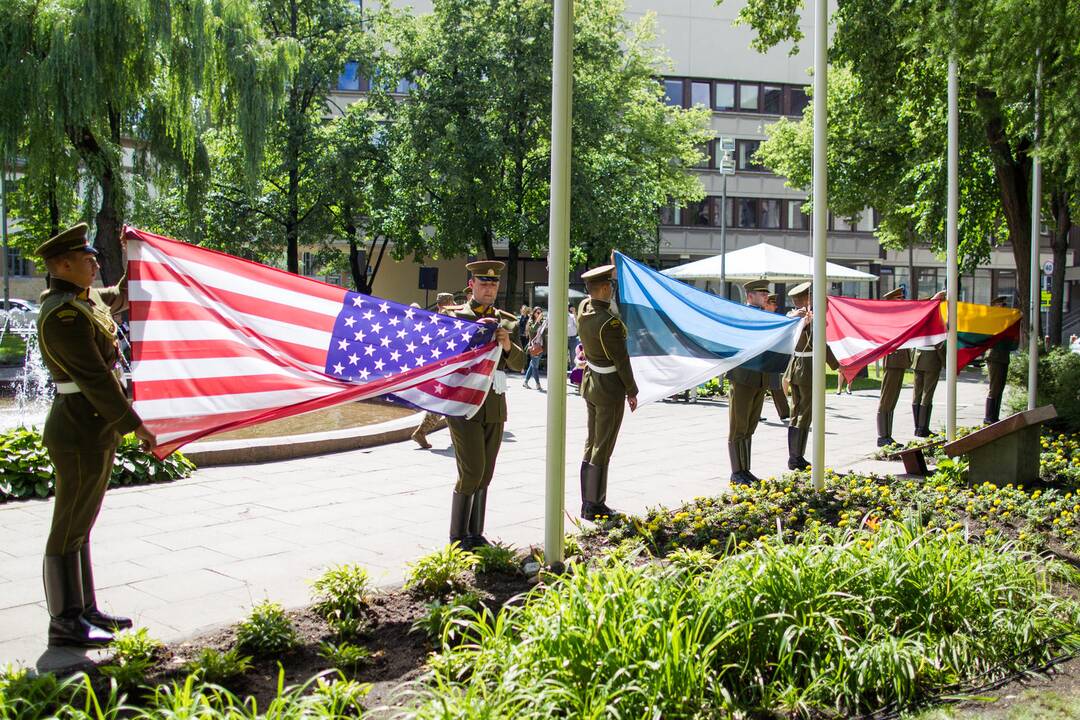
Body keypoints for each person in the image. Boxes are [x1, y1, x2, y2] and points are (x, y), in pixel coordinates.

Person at [34, 223, 158, 647]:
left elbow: (122, 295)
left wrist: (137, 253)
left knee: (82, 524)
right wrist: (135, 424)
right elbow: (95, 380)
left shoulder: (85, 301)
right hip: (77, 429)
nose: (94, 263)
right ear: (62, 264)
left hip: (93, 428)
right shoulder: (64, 313)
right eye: (86, 260)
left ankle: (85, 610)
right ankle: (64, 622)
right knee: (69, 524)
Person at [444, 261, 524, 549]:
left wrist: (507, 346)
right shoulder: (455, 318)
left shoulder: (508, 321)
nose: (489, 288)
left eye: (493, 284)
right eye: (483, 283)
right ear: (472, 286)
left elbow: (519, 362)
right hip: (465, 404)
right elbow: (444, 361)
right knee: (472, 471)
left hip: (494, 404)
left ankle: (475, 534)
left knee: (486, 473)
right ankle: (457, 537)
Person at [577, 264, 638, 520]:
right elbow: (622, 360)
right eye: (610, 286)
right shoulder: (609, 324)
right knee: (603, 445)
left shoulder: (584, 310)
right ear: (603, 288)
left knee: (592, 443)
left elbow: (588, 301)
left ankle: (587, 500)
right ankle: (594, 504)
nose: (612, 289)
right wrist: (632, 390)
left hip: (591, 383)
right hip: (609, 387)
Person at [726, 279, 772, 483]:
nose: (765, 296)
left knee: (750, 426)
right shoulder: (742, 315)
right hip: (743, 377)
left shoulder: (765, 316)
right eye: (761, 293)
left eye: (766, 294)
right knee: (739, 426)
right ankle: (736, 472)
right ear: (750, 296)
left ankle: (745, 469)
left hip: (760, 378)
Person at [411, 292, 458, 449]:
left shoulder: (435, 321)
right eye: (452, 302)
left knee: (449, 403)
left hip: (442, 367)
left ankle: (456, 437)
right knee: (447, 403)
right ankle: (422, 432)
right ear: (446, 303)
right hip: (446, 368)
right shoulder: (447, 320)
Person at [783, 282, 813, 470]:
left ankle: (796, 456)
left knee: (797, 413)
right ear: (807, 298)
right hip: (806, 368)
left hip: (799, 368)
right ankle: (796, 458)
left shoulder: (797, 316)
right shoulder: (798, 318)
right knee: (803, 414)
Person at [875, 287, 910, 446]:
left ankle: (887, 434)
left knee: (893, 398)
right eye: (899, 298)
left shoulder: (899, 316)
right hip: (893, 361)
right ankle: (883, 436)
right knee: (887, 398)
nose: (902, 301)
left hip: (900, 361)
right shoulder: (889, 318)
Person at [911, 290, 947, 437]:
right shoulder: (935, 317)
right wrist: (946, 362)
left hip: (918, 357)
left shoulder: (921, 315)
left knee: (917, 393)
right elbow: (939, 344)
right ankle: (923, 428)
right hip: (931, 358)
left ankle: (917, 427)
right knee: (927, 393)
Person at [983, 295, 1012, 424]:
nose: (1004, 307)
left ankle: (995, 415)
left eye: (1004, 305)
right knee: (994, 387)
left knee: (1000, 387)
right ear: (995, 306)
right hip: (994, 356)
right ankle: (989, 416)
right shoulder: (992, 320)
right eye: (1001, 305)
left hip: (1003, 356)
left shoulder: (1004, 320)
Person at [763, 293, 791, 422]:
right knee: (758, 389)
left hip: (771, 358)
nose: (776, 306)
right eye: (773, 303)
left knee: (776, 386)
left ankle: (784, 413)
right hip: (761, 359)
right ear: (767, 304)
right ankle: (754, 414)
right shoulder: (762, 317)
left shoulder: (773, 317)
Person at [523, 306, 547, 390]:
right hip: (534, 347)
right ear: (534, 313)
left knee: (532, 364)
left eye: (540, 313)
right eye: (537, 313)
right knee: (535, 366)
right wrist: (537, 320)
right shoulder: (531, 321)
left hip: (541, 346)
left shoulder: (543, 322)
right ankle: (538, 384)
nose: (539, 314)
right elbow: (532, 329)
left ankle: (525, 382)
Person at [566, 304, 579, 370]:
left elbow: (577, 324)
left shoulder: (572, 316)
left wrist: (574, 313)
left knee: (573, 357)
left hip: (572, 338)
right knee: (562, 358)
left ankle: (573, 377)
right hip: (563, 339)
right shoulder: (559, 316)